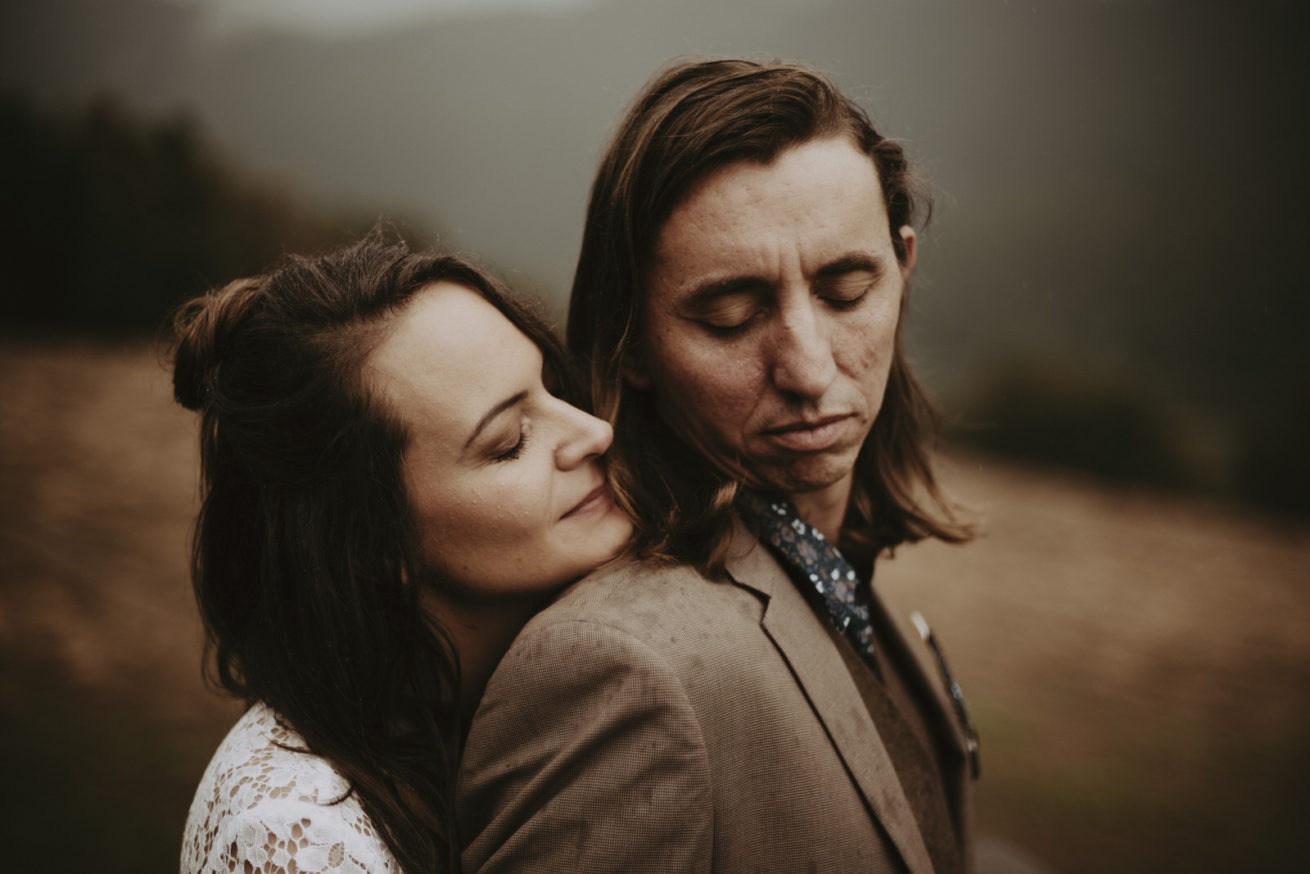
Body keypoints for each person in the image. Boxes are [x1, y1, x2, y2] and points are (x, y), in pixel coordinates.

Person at [459, 59, 978, 873]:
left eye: (847, 292)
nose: (808, 369)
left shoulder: (842, 577)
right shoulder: (616, 671)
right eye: (731, 317)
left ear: (902, 270)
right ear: (631, 345)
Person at [174, 233, 632, 873]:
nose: (594, 431)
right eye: (508, 443)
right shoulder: (295, 836)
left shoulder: (492, 724)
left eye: (554, 389)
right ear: (372, 544)